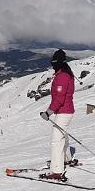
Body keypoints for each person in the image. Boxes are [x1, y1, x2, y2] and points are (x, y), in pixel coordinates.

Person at [39, 49, 75, 181]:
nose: (52, 65)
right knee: (62, 136)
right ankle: (66, 159)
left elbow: (59, 99)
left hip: (63, 112)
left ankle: (57, 170)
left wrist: (48, 112)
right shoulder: (66, 73)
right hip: (66, 110)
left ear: (57, 62)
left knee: (56, 140)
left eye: (53, 62)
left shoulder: (62, 76)